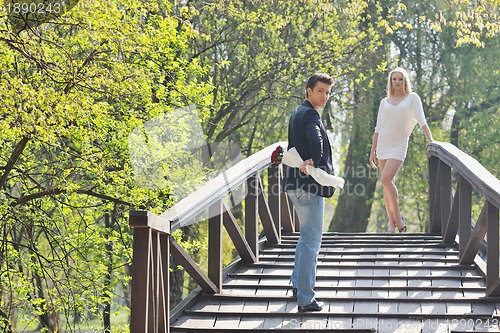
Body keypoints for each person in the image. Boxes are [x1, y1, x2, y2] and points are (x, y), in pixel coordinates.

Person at [282, 73, 336, 312]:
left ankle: (297, 284)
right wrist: (312, 160)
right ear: (309, 91)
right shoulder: (311, 115)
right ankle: (306, 298)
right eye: (321, 91)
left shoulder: (296, 113)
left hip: (293, 184)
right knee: (312, 242)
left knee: (305, 238)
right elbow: (316, 140)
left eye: (328, 92)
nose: (325, 96)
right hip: (308, 184)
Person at [369, 67, 434, 233]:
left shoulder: (412, 98)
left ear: (405, 81)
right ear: (390, 82)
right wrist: (373, 150)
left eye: (400, 79)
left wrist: (432, 141)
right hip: (383, 144)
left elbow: (422, 121)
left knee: (385, 180)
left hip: (398, 145)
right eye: (394, 79)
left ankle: (398, 218)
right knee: (387, 184)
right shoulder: (384, 102)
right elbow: (378, 127)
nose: (397, 82)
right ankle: (391, 224)